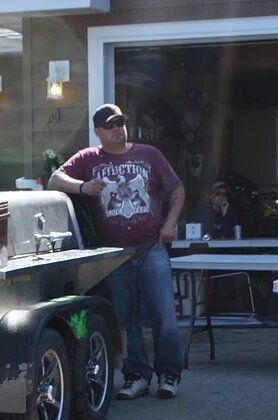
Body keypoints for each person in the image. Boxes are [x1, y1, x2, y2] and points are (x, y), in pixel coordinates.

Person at [49, 103, 186, 400]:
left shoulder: (149, 154)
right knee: (124, 319)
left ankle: (169, 374)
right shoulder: (88, 158)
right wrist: (83, 187)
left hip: (152, 247)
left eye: (120, 122)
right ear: (98, 132)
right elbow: (55, 179)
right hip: (113, 254)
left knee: (163, 313)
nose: (117, 129)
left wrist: (170, 223)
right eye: (110, 125)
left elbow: (177, 190)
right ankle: (136, 375)